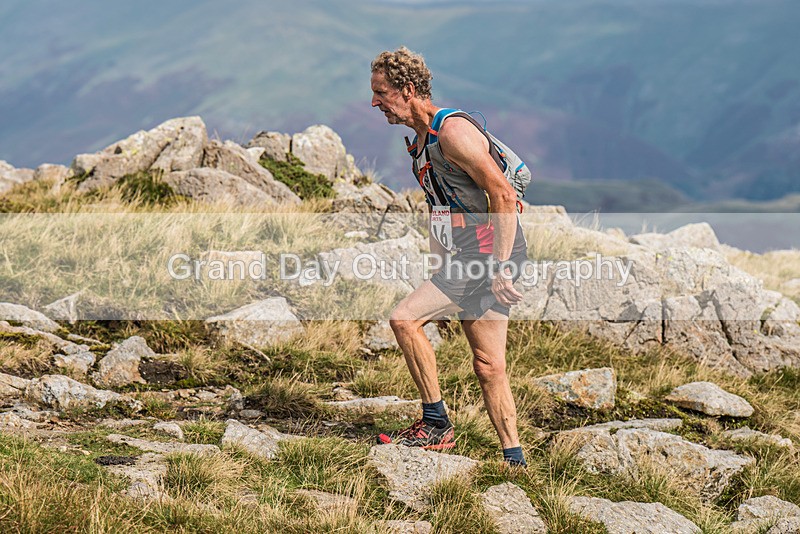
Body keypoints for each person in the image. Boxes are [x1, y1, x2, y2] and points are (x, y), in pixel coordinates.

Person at [370, 47, 529, 467]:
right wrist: (440, 268)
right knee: (489, 365)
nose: (374, 102)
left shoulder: (453, 133)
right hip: (472, 252)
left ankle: (436, 425)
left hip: (487, 251)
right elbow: (438, 208)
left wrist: (498, 265)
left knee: (404, 319)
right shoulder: (422, 144)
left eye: (381, 92)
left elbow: (503, 194)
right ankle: (515, 461)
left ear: (407, 89)